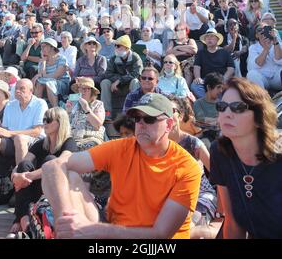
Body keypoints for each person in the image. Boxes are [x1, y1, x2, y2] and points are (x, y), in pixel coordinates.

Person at [42, 93, 201, 239]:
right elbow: (52, 166)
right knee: (68, 176)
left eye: (149, 119)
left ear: (169, 124)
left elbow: (160, 234)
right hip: (113, 230)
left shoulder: (187, 167)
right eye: (137, 118)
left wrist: (95, 229)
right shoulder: (121, 147)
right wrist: (66, 221)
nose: (141, 124)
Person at [210, 77, 282, 239]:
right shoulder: (219, 152)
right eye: (222, 107)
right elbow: (233, 222)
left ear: (259, 117)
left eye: (238, 107)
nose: (227, 114)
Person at [8, 107, 77, 237]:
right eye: (44, 119)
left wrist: (26, 176)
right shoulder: (40, 144)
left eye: (49, 120)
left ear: (60, 122)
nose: (44, 123)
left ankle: (32, 223)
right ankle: (22, 218)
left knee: (51, 160)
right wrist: (15, 175)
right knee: (24, 165)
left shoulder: (69, 143)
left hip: (57, 191)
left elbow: (60, 163)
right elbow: (22, 163)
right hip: (36, 188)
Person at [169, 96, 217, 238]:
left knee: (188, 227)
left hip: (200, 194)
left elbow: (217, 176)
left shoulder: (193, 143)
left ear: (181, 115)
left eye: (172, 110)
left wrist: (223, 207)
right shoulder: (158, 145)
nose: (167, 115)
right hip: (173, 197)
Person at [100, 35, 143, 117]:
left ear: (127, 48)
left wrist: (120, 80)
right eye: (115, 46)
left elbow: (137, 74)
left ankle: (134, 111)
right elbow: (108, 73)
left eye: (118, 46)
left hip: (129, 85)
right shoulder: (113, 59)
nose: (116, 48)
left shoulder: (135, 58)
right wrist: (118, 80)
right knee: (105, 82)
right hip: (116, 87)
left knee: (135, 81)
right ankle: (107, 112)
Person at [191, 28, 235, 99]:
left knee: (232, 88)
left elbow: (231, 68)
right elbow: (197, 66)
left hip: (221, 79)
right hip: (206, 81)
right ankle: (212, 101)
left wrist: (224, 78)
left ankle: (215, 101)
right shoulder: (201, 53)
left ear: (217, 40)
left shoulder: (224, 52)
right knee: (194, 86)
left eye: (212, 36)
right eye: (207, 37)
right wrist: (197, 77)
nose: (209, 39)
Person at [66, 77, 106, 150]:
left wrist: (86, 108)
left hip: (91, 138)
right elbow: (65, 125)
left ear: (91, 91)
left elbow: (97, 125)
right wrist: (68, 112)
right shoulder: (74, 104)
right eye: (81, 88)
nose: (83, 91)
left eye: (86, 88)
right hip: (73, 139)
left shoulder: (98, 104)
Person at [33, 38, 70, 107]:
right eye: (41, 47)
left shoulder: (62, 59)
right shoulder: (42, 61)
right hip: (48, 82)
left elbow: (56, 76)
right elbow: (41, 75)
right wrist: (43, 62)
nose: (42, 49)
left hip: (62, 83)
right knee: (39, 83)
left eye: (44, 46)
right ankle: (36, 107)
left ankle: (55, 108)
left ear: (52, 48)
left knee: (49, 83)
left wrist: (43, 76)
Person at [246, 23, 282, 91]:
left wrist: (275, 41)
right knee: (251, 75)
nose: (263, 31)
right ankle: (262, 99)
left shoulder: (278, 43)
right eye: (260, 30)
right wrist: (266, 49)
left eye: (265, 28)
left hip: (277, 77)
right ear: (256, 35)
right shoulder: (253, 48)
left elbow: (278, 60)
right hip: (263, 77)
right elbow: (259, 63)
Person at [193, 73, 223, 149]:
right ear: (209, 87)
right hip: (206, 135)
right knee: (205, 145)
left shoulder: (222, 103)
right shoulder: (198, 103)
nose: (221, 91)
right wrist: (217, 122)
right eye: (218, 87)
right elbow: (201, 122)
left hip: (222, 134)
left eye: (221, 88)